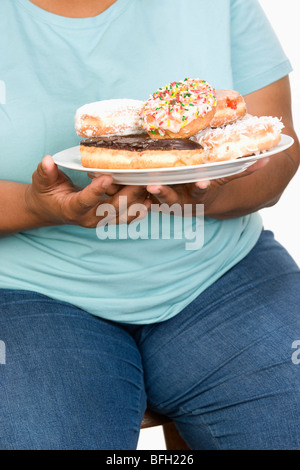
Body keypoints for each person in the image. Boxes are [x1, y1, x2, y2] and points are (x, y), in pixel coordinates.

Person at [0, 0, 299, 450]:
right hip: (30, 289)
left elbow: (279, 152)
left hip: (221, 274)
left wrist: (214, 192)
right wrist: (35, 205)